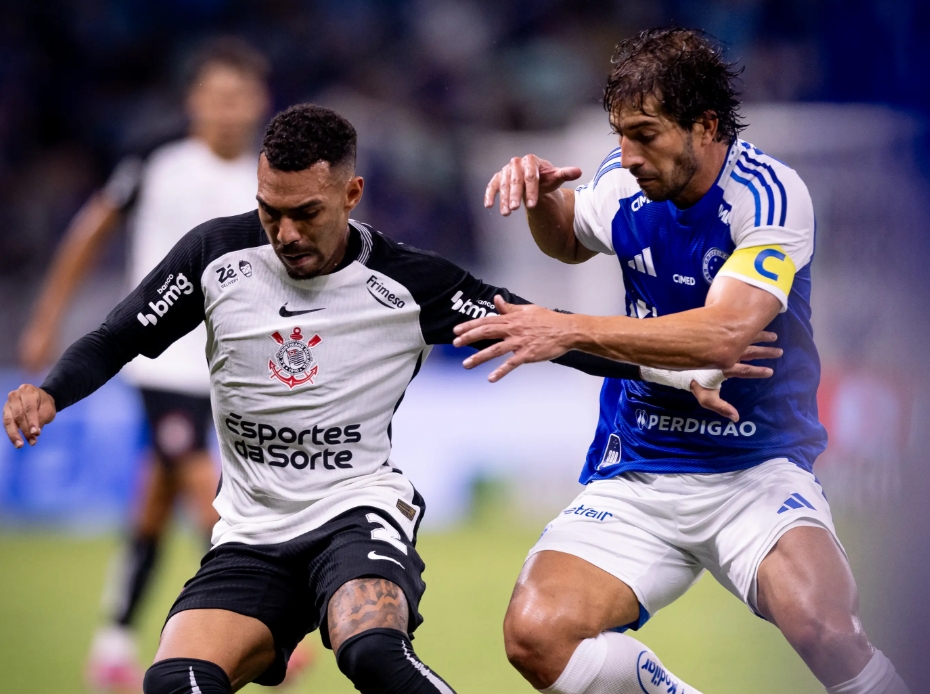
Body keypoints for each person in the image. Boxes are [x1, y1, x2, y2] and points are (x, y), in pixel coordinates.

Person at [3, 103, 775, 694]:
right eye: (270, 211)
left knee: (369, 650)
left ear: (351, 194)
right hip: (249, 534)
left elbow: (544, 331)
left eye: (305, 213)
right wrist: (50, 391)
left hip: (356, 514)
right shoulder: (214, 255)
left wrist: (677, 373)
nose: (284, 233)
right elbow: (119, 335)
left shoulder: (408, 282)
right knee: (174, 682)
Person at [461, 28, 910, 694]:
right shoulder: (624, 182)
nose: (627, 156)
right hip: (640, 469)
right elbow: (570, 240)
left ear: (705, 125)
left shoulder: (767, 195)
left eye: (645, 135)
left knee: (829, 634)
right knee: (535, 635)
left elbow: (724, 335)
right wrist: (543, 201)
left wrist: (565, 329)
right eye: (620, 135)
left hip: (753, 468)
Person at [16, 38, 275, 690]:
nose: (226, 109)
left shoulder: (268, 177)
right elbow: (91, 229)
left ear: (258, 102)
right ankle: (261, 621)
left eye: (238, 97)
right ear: (194, 100)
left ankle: (110, 645)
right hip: (161, 362)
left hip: (233, 368)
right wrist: (48, 316)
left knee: (154, 502)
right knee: (205, 491)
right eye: (215, 97)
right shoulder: (157, 161)